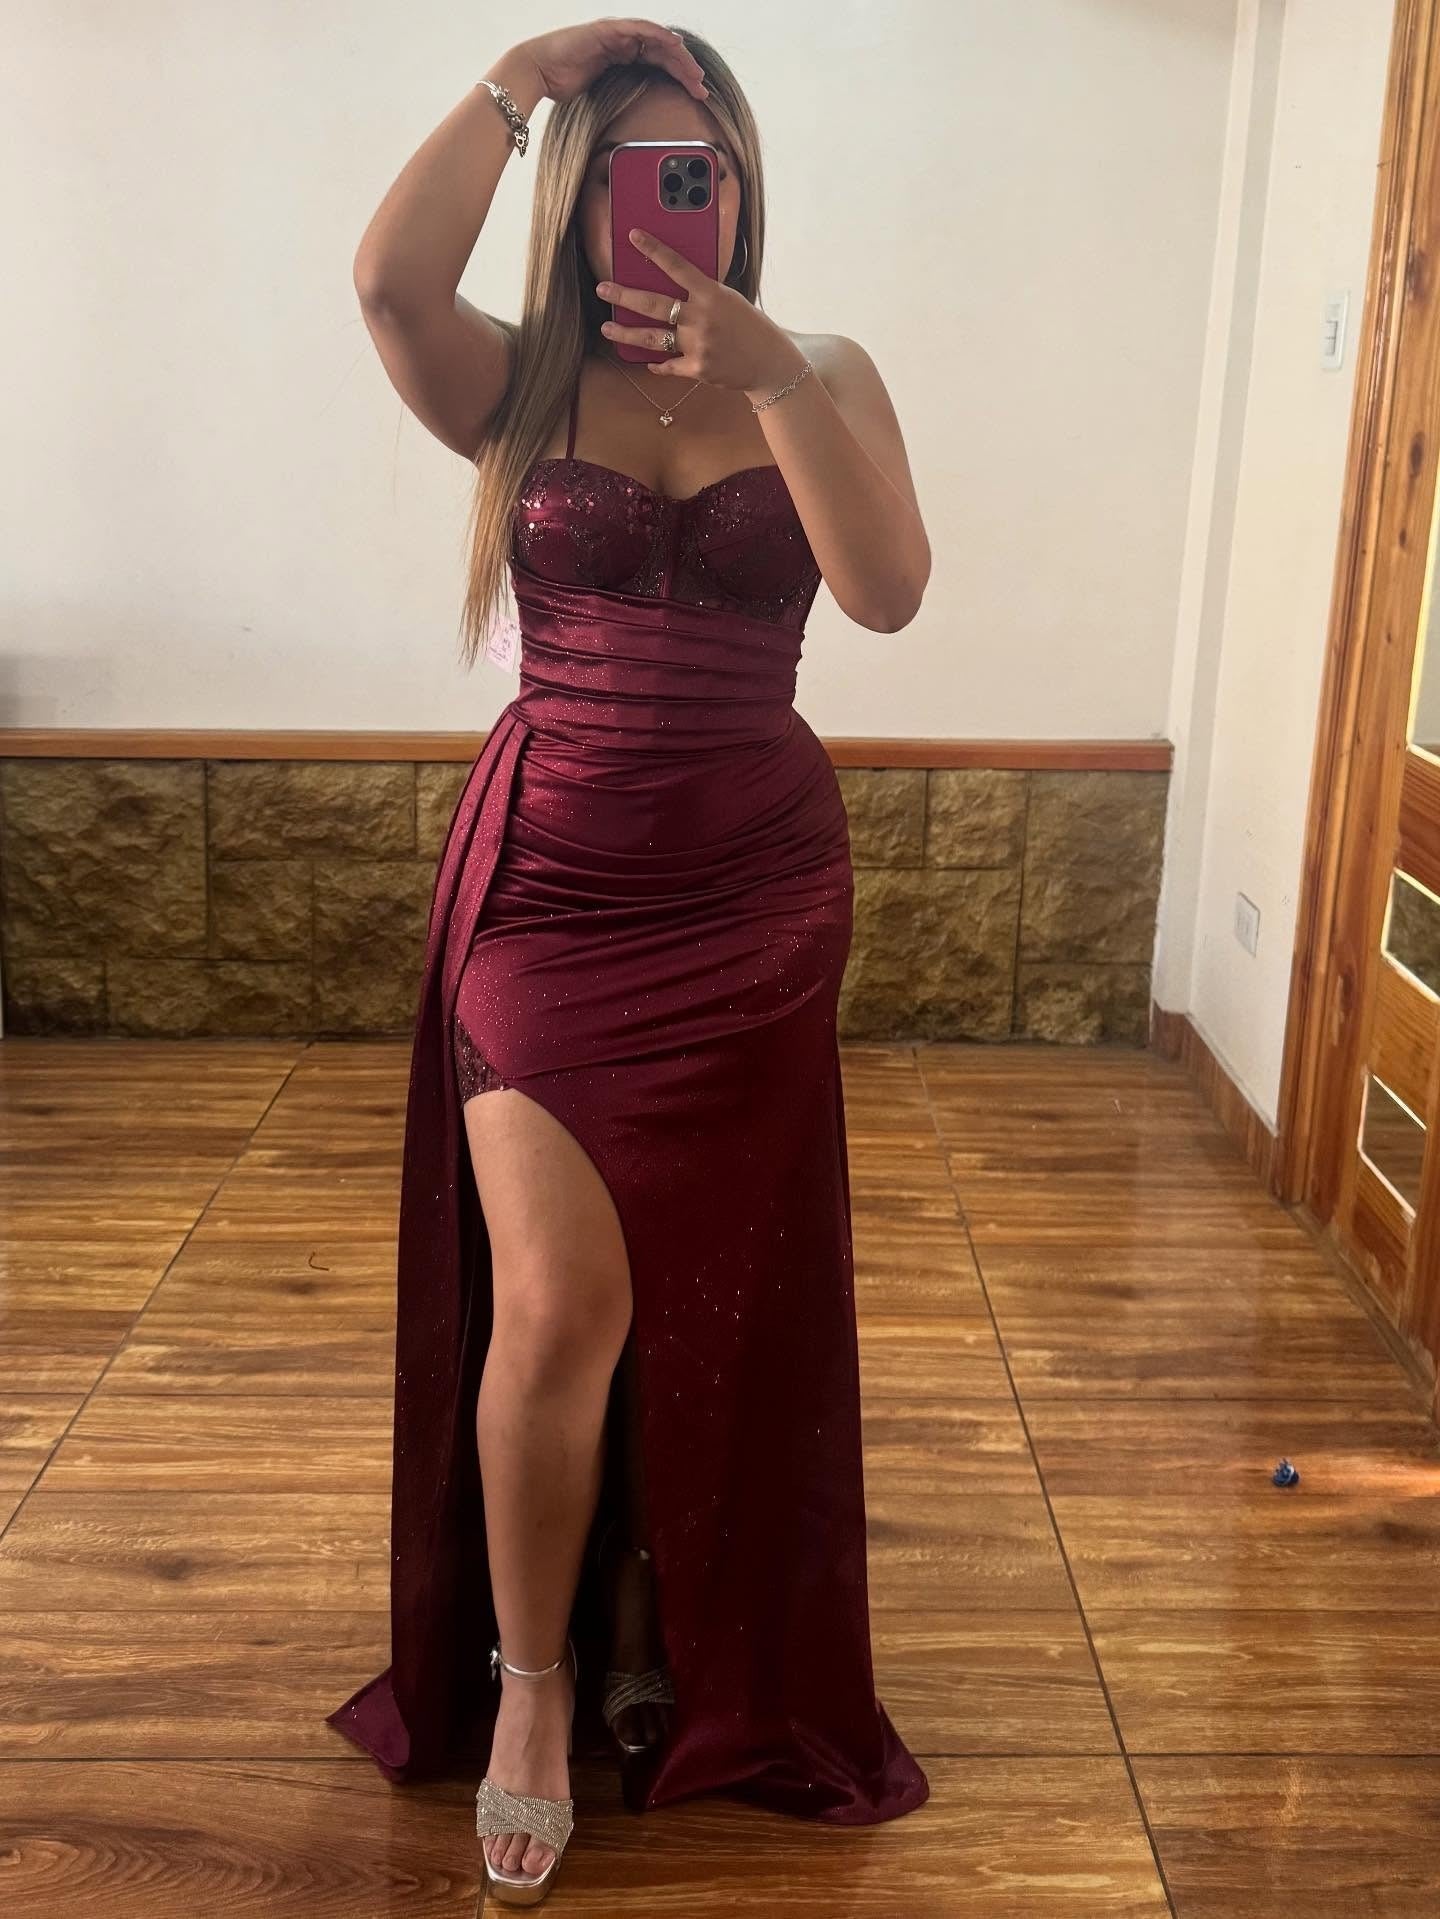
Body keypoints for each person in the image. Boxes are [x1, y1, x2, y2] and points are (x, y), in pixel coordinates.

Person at [327, 18, 932, 1907]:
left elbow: (887, 591)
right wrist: (525, 77)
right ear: (583, 201)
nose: (680, 202)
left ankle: (659, 1601)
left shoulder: (824, 369)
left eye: (707, 169)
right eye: (639, 175)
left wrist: (772, 375)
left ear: (744, 189)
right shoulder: (517, 381)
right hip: (553, 896)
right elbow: (386, 281)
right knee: (561, 1302)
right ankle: (529, 1689)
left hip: (756, 898)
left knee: (711, 1290)